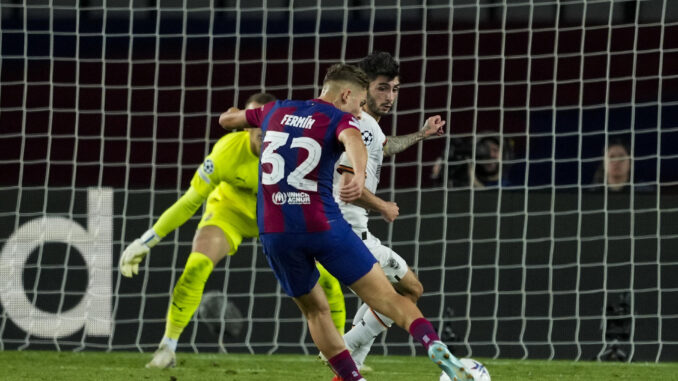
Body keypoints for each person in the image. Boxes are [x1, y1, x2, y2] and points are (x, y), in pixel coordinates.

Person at [219, 63, 470, 381]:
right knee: (393, 297)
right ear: (347, 94)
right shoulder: (341, 119)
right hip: (323, 224)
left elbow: (228, 120)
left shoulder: (277, 109)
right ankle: (433, 344)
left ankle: (352, 377)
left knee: (315, 310)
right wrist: (360, 176)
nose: (359, 110)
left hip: (276, 230)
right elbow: (354, 143)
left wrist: (232, 115)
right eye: (359, 102)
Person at [118, 92, 346, 369]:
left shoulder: (299, 152)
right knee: (196, 266)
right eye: (254, 122)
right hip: (230, 214)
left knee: (328, 280)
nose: (261, 129)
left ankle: (343, 351)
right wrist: (146, 241)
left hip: (280, 217)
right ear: (243, 123)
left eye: (267, 121)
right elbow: (190, 201)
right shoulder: (227, 152)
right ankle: (167, 347)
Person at [329, 51, 446, 378]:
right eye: (382, 88)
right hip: (348, 233)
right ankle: (344, 346)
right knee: (411, 290)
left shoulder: (367, 126)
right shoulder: (360, 125)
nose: (390, 96)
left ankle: (347, 362)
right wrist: (382, 205)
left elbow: (386, 145)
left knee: (396, 293)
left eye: (394, 88)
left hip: (346, 230)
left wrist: (422, 134)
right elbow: (348, 183)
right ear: (364, 90)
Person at [431, 133, 513, 188]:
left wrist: (473, 182)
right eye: (485, 148)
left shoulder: (503, 186)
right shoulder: (463, 165)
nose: (490, 155)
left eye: (495, 150)